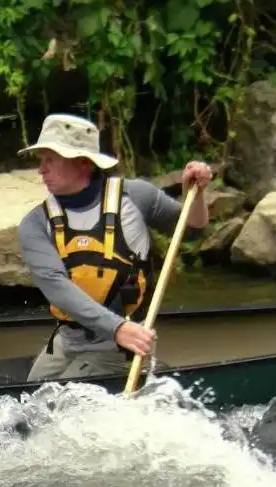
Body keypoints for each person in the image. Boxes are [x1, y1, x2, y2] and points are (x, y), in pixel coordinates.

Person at [16, 113, 212, 381]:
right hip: (70, 341)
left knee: (59, 398)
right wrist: (115, 326)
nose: (42, 169)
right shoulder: (35, 223)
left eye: (50, 159)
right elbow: (56, 288)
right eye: (42, 161)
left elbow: (193, 229)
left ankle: (148, 374)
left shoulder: (136, 196)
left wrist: (197, 193)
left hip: (125, 344)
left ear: (83, 162)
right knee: (29, 395)